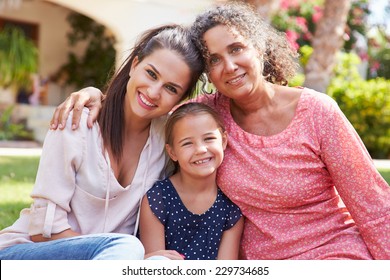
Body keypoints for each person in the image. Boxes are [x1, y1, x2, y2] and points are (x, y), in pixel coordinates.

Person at [49, 2, 390, 260]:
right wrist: (97, 96)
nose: (228, 66)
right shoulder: (207, 117)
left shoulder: (317, 112)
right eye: (213, 59)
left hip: (333, 254)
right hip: (256, 267)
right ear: (207, 74)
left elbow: (374, 207)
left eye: (236, 49)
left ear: (259, 48)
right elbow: (150, 103)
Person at [0, 24, 205, 260]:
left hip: (110, 261)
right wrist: (121, 254)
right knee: (130, 249)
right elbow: (42, 232)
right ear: (135, 65)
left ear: (180, 99)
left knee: (160, 262)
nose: (154, 91)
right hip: (25, 253)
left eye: (171, 88)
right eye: (151, 73)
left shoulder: (167, 141)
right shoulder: (76, 121)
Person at [139, 102, 243, 260]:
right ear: (172, 152)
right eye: (187, 143)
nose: (201, 149)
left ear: (223, 141)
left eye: (208, 138)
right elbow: (154, 262)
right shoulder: (157, 199)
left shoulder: (231, 207)